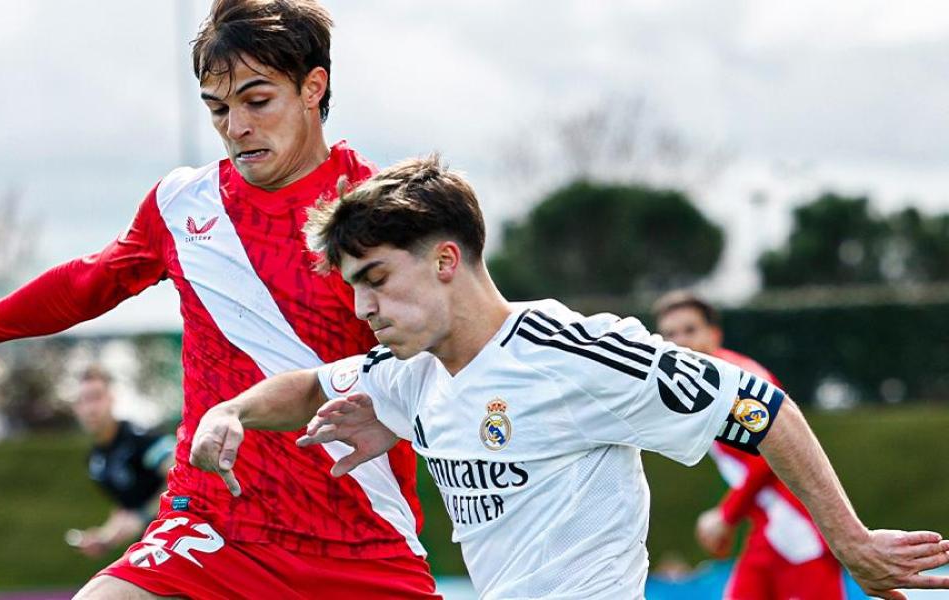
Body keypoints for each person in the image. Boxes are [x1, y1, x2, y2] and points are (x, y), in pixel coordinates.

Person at [0, 2, 437, 598]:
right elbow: (82, 286)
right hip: (212, 529)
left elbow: (448, 354)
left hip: (358, 540)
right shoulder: (184, 206)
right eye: (218, 108)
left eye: (257, 101)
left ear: (313, 87)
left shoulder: (376, 210)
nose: (236, 126)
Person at [190, 155, 949, 600]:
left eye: (377, 279)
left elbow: (758, 405)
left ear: (446, 260)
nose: (362, 306)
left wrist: (847, 539)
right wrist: (230, 411)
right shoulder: (410, 373)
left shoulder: (574, 354)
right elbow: (311, 387)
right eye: (353, 286)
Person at [654, 291, 845, 599]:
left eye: (690, 330)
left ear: (714, 334)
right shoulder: (703, 386)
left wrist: (726, 515)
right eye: (670, 334)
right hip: (770, 530)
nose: (680, 343)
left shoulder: (741, 382)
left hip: (800, 528)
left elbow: (773, 455)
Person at [67, 365, 175, 559]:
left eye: (96, 397)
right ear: (76, 408)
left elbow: (182, 475)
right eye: (83, 400)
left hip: (181, 539)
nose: (91, 408)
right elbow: (127, 509)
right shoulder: (96, 461)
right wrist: (103, 539)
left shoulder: (140, 439)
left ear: (111, 398)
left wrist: (143, 515)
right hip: (152, 551)